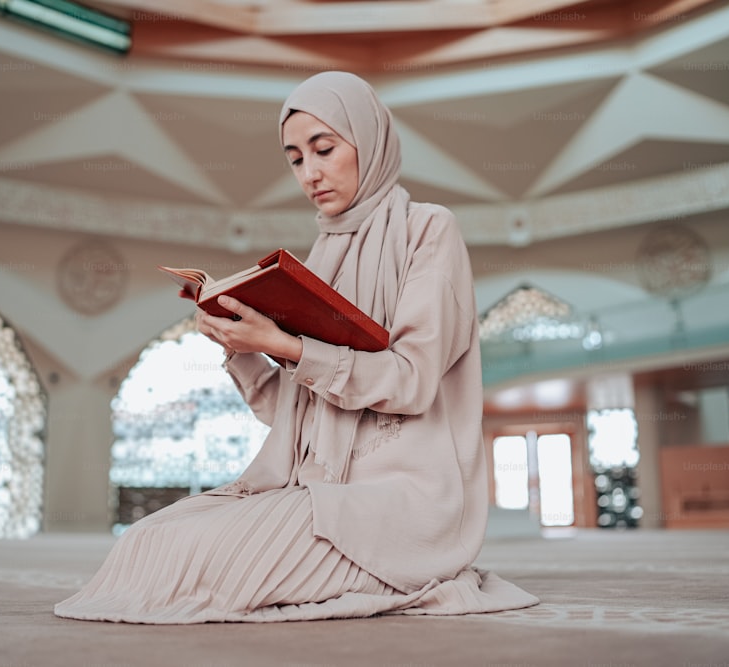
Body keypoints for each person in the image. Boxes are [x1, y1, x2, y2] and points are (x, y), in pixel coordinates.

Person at [54, 71, 539, 624]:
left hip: (397, 501)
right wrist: (239, 345)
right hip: (313, 486)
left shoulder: (428, 230)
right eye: (295, 159)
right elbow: (295, 416)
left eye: (324, 149)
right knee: (147, 540)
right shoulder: (322, 255)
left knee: (189, 561)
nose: (310, 173)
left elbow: (412, 381)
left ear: (370, 141)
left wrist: (287, 344)